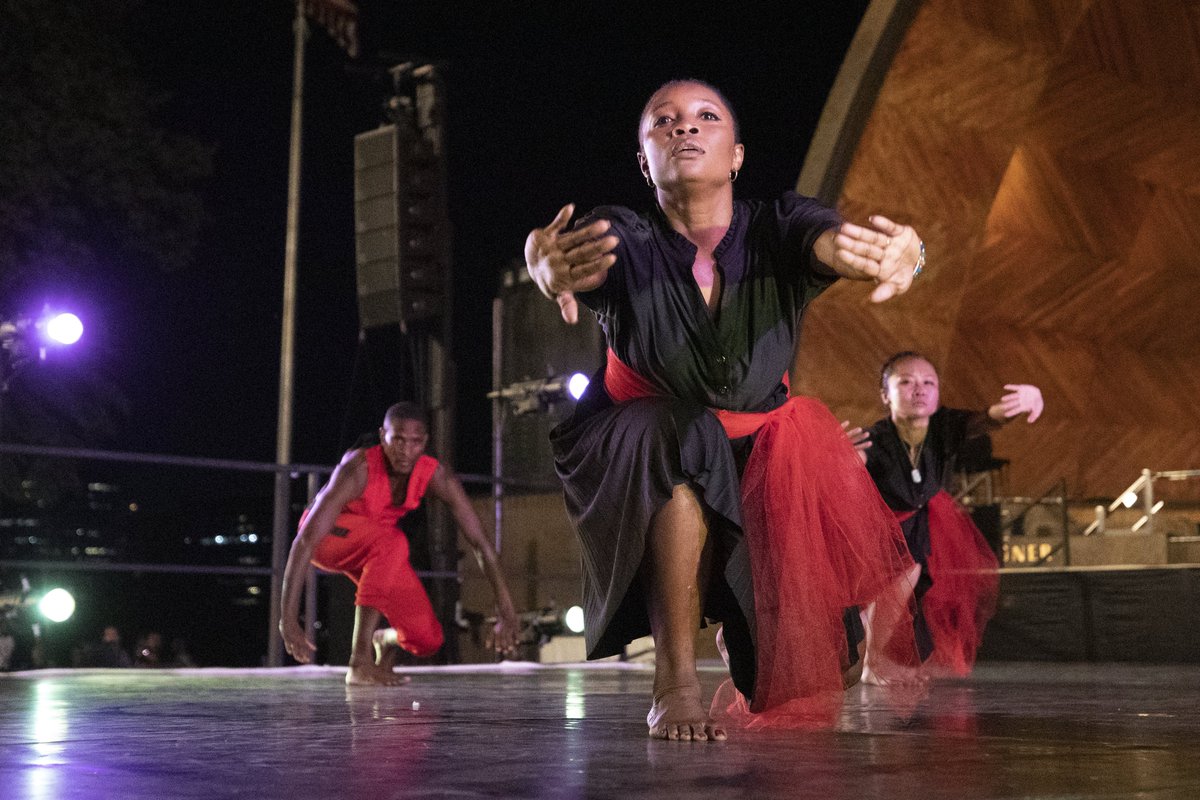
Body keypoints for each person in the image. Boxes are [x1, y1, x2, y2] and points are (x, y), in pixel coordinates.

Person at [525, 79, 926, 740]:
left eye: (705, 117)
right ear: (644, 161)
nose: (684, 127)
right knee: (683, 435)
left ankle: (735, 616)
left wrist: (899, 257)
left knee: (816, 672)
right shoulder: (625, 235)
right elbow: (569, 258)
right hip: (639, 444)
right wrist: (544, 264)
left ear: (736, 155)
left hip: (757, 448)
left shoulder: (777, 227)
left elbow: (827, 242)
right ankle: (674, 682)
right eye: (664, 121)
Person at [279, 402, 521, 685]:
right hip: (328, 539)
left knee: (427, 639)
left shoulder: (437, 475)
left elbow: (480, 541)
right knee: (392, 540)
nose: (406, 451)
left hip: (376, 549)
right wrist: (288, 617)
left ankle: (386, 639)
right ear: (384, 437)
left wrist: (506, 608)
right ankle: (360, 661)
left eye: (415, 442)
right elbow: (305, 541)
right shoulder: (358, 468)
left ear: (425, 442)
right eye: (398, 440)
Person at [847, 351, 1043, 678]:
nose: (919, 389)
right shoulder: (875, 438)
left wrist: (1019, 405)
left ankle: (874, 664)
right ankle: (864, 659)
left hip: (916, 526)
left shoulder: (944, 426)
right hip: (874, 531)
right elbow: (852, 463)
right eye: (906, 382)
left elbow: (986, 418)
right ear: (885, 394)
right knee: (870, 599)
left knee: (901, 588)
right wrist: (841, 458)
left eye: (929, 383)